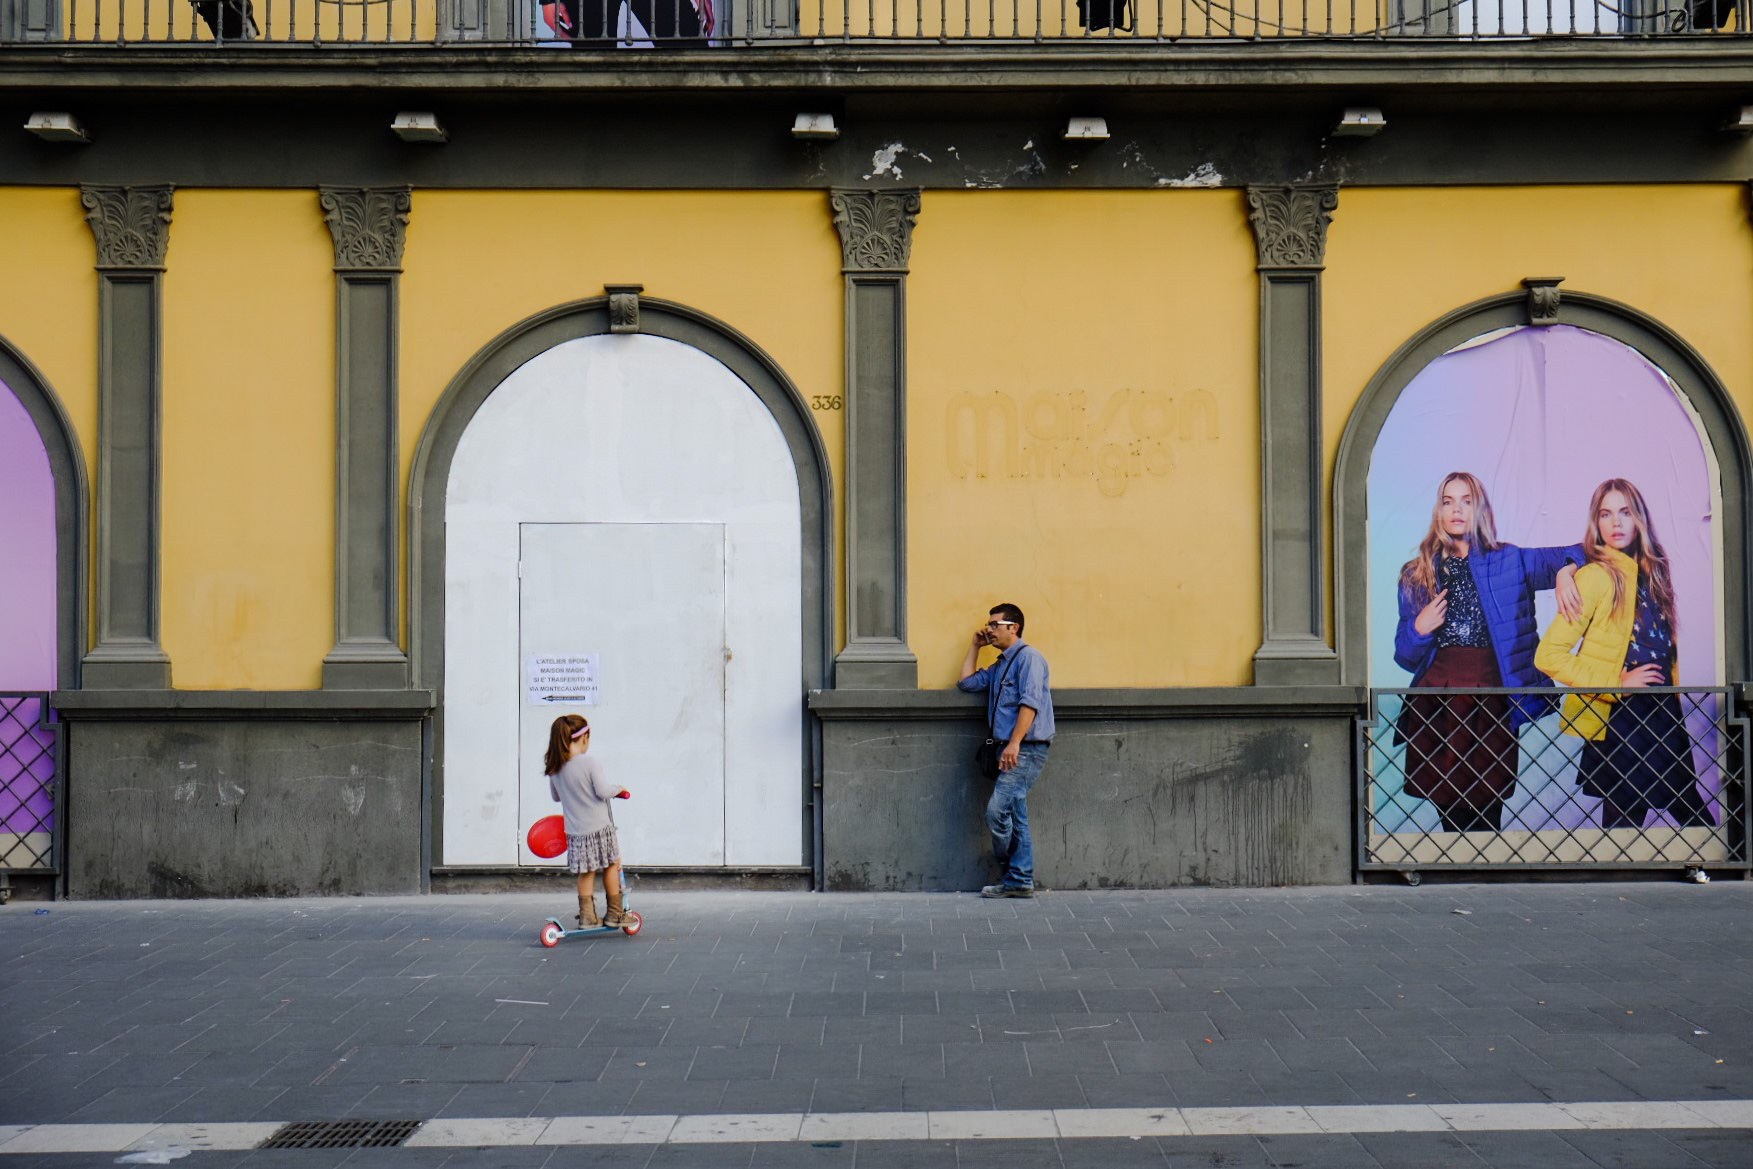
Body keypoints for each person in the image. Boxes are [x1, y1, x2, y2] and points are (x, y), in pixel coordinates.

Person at [1393, 472, 1583, 833]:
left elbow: (1583, 551)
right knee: (1447, 807)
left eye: (1466, 500)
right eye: (1447, 501)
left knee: (1488, 806)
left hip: (1491, 697)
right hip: (1439, 699)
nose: (1456, 509)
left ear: (1479, 508)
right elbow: (1405, 656)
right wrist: (1419, 628)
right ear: (1438, 510)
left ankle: (1480, 885)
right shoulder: (1417, 572)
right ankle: (1455, 882)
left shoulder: (1509, 560)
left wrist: (1565, 572)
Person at [1534, 479, 1713, 831]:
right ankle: (1720, 870)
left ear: (1639, 519)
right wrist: (1615, 682)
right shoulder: (1594, 577)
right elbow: (1548, 656)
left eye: (1624, 512)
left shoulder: (1654, 573)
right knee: (1638, 815)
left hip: (1662, 710)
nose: (1615, 523)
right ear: (1596, 523)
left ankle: (1712, 871)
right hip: (1622, 715)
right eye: (1606, 514)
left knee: (1659, 810)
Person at [958, 603, 1054, 898]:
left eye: (994, 624)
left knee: (997, 813)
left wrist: (1013, 744)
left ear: (1014, 627)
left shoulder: (1030, 659)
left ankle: (1013, 874)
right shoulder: (1001, 665)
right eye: (988, 624)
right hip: (1009, 750)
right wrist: (975, 647)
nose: (989, 629)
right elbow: (966, 683)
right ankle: (1021, 879)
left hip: (1025, 749)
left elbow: (1030, 704)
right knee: (1015, 814)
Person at [543, 713, 632, 927]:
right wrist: (619, 789)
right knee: (611, 865)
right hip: (600, 828)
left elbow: (556, 797)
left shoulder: (555, 766)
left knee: (586, 871)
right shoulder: (590, 762)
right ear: (584, 738)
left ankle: (587, 916)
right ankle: (615, 914)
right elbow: (602, 791)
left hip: (575, 832)